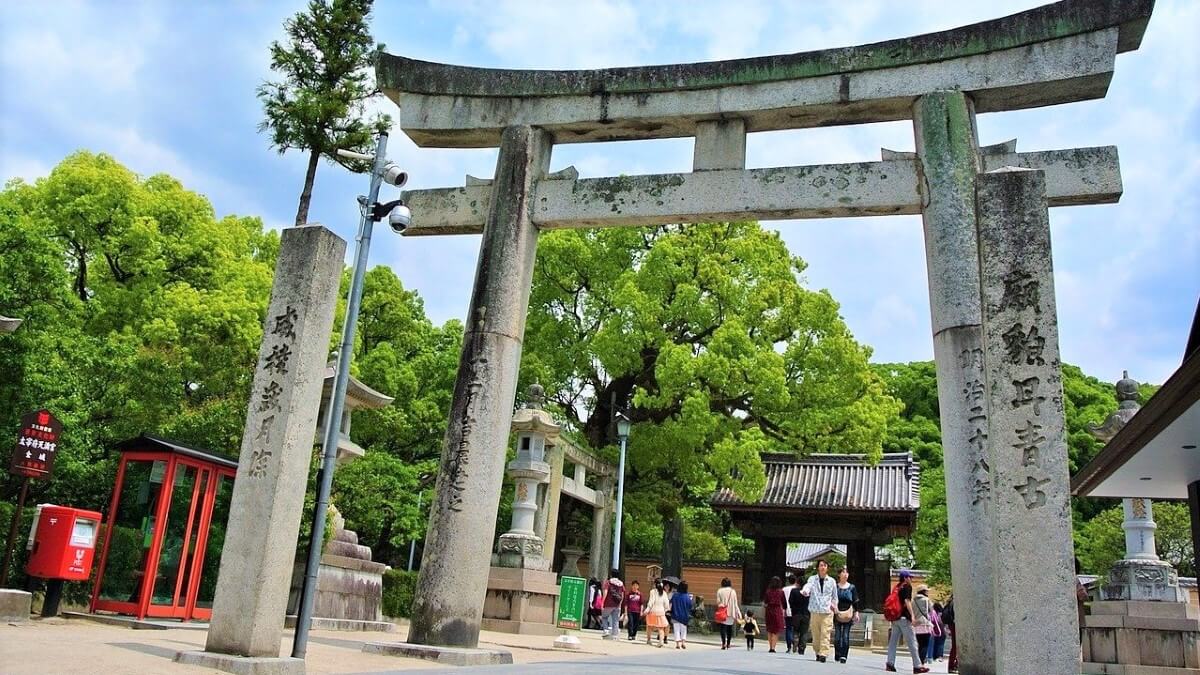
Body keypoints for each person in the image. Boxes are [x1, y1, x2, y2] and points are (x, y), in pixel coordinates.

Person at [886, 570, 929, 673]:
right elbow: (907, 601)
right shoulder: (907, 587)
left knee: (893, 642)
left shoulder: (896, 587)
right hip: (904, 618)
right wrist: (912, 616)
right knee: (912, 642)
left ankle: (890, 663)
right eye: (909, 577)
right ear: (905, 578)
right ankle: (917, 666)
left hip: (895, 618)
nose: (911, 579)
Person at [800, 559, 837, 663]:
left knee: (825, 633)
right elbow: (808, 586)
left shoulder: (832, 581)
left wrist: (834, 606)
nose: (823, 567)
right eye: (821, 565)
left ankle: (823, 654)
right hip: (815, 610)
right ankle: (817, 651)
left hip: (827, 611)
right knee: (816, 634)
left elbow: (834, 596)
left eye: (825, 565)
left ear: (827, 568)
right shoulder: (812, 579)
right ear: (818, 568)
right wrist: (805, 591)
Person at [832, 566, 861, 664]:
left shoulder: (852, 587)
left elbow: (855, 600)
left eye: (846, 572)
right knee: (837, 636)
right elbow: (831, 599)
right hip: (837, 613)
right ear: (839, 575)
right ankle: (837, 653)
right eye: (843, 572)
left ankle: (844, 655)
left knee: (845, 636)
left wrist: (856, 612)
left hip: (848, 613)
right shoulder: (835, 587)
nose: (845, 574)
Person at [715, 577, 742, 650]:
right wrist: (738, 613)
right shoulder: (733, 591)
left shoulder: (720, 591)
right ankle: (729, 643)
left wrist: (721, 605)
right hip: (731, 612)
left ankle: (723, 643)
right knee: (729, 628)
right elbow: (735, 603)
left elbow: (718, 602)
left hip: (723, 611)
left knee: (722, 628)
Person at [788, 572, 811, 655]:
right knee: (804, 632)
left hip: (796, 613)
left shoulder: (794, 591)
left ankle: (795, 641)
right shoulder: (809, 593)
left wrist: (793, 608)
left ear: (797, 582)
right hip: (806, 613)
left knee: (795, 630)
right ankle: (802, 648)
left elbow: (790, 601)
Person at [763, 575, 787, 653]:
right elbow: (784, 602)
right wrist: (785, 609)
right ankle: (773, 647)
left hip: (769, 610)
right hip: (777, 610)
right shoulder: (781, 592)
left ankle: (770, 646)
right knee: (776, 630)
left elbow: (765, 601)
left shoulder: (768, 591)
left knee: (770, 629)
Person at [642, 579, 670, 647]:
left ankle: (649, 640)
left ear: (654, 584)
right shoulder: (664, 593)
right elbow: (667, 604)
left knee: (649, 626)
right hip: (661, 612)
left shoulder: (652, 592)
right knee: (661, 628)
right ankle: (661, 641)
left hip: (652, 612)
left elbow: (651, 602)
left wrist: (646, 610)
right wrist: (665, 610)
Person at [601, 569, 625, 640]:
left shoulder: (608, 582)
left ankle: (605, 630)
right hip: (617, 604)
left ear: (611, 574)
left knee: (604, 617)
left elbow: (605, 593)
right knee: (615, 620)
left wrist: (603, 602)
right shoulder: (621, 584)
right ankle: (615, 635)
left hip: (608, 603)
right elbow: (622, 595)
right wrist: (620, 604)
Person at [669, 580, 694, 649]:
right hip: (684, 616)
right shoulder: (688, 596)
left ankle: (677, 644)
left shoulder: (675, 595)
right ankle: (683, 642)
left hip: (675, 615)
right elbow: (690, 606)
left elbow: (670, 604)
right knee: (683, 629)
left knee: (676, 629)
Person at [782, 572, 798, 652]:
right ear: (796, 581)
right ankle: (795, 641)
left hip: (787, 610)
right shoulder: (798, 589)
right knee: (796, 628)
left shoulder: (784, 589)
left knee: (788, 628)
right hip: (796, 611)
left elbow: (782, 601)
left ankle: (789, 646)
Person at [943, 597, 957, 673]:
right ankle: (952, 666)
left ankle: (954, 665)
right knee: (955, 646)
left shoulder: (950, 602)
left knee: (955, 646)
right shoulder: (955, 602)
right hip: (955, 625)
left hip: (952, 625)